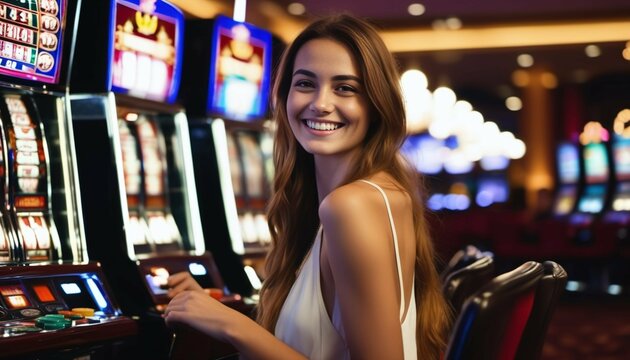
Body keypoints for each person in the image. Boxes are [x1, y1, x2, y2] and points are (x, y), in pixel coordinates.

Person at [164, 14, 451, 359]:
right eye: (305, 84)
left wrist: (231, 326)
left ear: (376, 104)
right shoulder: (385, 192)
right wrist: (217, 310)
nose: (320, 103)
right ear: (284, 97)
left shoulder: (350, 205)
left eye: (345, 88)